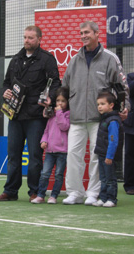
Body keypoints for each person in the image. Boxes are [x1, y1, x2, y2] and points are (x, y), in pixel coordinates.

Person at [62, 20, 130, 205]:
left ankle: (93, 193)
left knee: (95, 156)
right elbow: (64, 87)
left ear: (97, 33)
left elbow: (122, 87)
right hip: (76, 118)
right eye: (81, 33)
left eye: (87, 32)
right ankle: (74, 192)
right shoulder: (75, 60)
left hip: (100, 119)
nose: (83, 36)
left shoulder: (110, 58)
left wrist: (124, 107)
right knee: (73, 155)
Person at [0, 25, 60, 202]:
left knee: (35, 157)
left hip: (36, 116)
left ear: (39, 39)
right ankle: (10, 191)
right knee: (13, 156)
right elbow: (7, 82)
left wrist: (50, 99)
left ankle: (34, 192)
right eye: (25, 37)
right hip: (14, 115)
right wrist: (5, 91)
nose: (26, 41)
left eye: (30, 38)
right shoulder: (15, 59)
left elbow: (55, 84)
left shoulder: (47, 59)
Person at [31, 86, 70, 204]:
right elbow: (47, 130)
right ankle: (41, 195)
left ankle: (54, 196)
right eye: (58, 101)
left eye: (63, 101)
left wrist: (59, 112)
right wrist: (44, 140)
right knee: (45, 174)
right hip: (50, 151)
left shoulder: (67, 114)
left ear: (67, 102)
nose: (60, 103)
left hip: (63, 151)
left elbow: (64, 126)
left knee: (58, 174)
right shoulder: (52, 115)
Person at [93, 90, 124, 207]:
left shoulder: (113, 121)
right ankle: (103, 197)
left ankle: (111, 199)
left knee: (110, 178)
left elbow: (113, 141)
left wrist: (109, 156)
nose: (99, 107)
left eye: (102, 104)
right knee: (103, 178)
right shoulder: (104, 119)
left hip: (108, 156)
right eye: (98, 104)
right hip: (102, 154)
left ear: (111, 105)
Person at [123, 73, 134, 195]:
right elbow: (129, 91)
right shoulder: (130, 77)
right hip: (131, 124)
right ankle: (130, 185)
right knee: (130, 154)